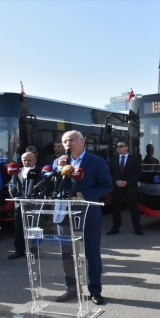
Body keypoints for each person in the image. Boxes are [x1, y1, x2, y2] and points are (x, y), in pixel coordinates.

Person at [53, 130, 112, 305]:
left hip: (88, 213)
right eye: (65, 141)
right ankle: (71, 288)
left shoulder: (96, 161)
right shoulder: (59, 162)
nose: (68, 144)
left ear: (82, 141)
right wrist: (58, 170)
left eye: (71, 140)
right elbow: (54, 187)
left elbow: (107, 186)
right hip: (64, 213)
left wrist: (84, 195)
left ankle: (95, 291)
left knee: (91, 254)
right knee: (67, 254)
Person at [7, 151, 41, 259]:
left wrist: (34, 198)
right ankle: (19, 250)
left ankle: (34, 251)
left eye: (29, 160)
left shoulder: (40, 171)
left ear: (35, 160)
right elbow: (12, 185)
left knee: (34, 229)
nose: (26, 162)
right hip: (20, 205)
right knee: (19, 229)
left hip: (35, 204)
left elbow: (46, 187)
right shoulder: (17, 171)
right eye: (24, 160)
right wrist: (17, 199)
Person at [107, 139, 143, 235]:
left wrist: (127, 182)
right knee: (116, 209)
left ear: (127, 147)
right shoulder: (113, 160)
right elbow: (108, 174)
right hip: (117, 188)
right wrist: (116, 181)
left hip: (130, 188)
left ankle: (137, 228)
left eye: (120, 146)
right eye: (117, 146)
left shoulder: (134, 159)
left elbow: (138, 173)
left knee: (133, 209)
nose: (118, 148)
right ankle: (115, 228)